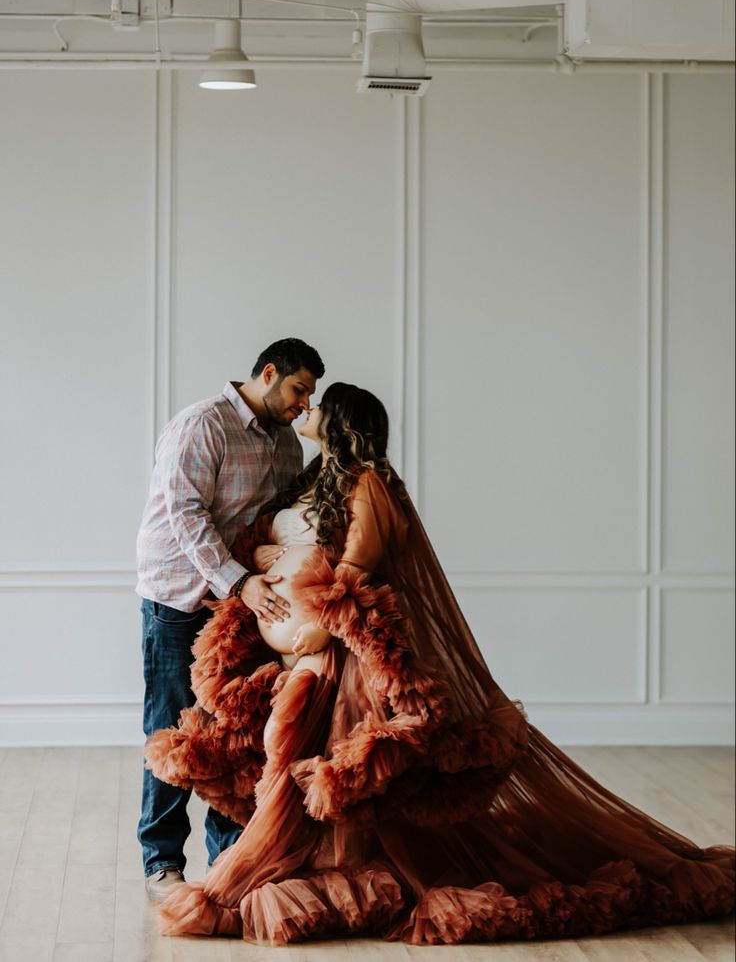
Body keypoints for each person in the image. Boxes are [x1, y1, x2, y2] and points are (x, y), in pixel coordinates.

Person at [144, 383, 735, 943]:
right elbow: (299, 546)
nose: (308, 408)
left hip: (337, 657)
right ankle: (251, 857)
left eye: (319, 403)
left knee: (302, 755)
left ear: (343, 421)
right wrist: (272, 558)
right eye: (304, 394)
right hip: (299, 649)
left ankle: (264, 867)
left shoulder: (369, 482)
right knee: (277, 751)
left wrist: (317, 632)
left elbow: (358, 567)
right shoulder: (311, 475)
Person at [135, 337, 324, 902]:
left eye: (309, 396)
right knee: (173, 729)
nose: (303, 405)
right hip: (179, 596)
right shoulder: (204, 425)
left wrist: (268, 562)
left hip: (243, 605)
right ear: (268, 373)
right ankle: (161, 862)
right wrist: (239, 580)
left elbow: (274, 519)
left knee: (238, 732)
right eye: (298, 390)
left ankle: (228, 858)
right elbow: (184, 512)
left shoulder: (288, 443)